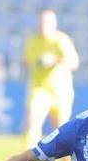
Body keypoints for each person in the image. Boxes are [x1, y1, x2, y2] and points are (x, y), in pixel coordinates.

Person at [22, 9, 79, 148]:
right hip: (40, 89)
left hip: (61, 91)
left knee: (61, 130)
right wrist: (38, 63)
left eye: (47, 22)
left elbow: (74, 62)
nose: (44, 25)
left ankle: (66, 160)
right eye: (42, 22)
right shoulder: (33, 41)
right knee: (32, 122)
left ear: (54, 24)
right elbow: (25, 61)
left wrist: (54, 61)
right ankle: (31, 155)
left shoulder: (61, 40)